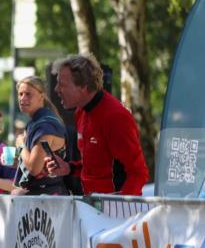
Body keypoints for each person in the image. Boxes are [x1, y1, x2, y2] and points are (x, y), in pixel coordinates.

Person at [46, 54, 148, 195]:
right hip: (91, 205)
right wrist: (68, 168)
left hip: (114, 210)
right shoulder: (81, 111)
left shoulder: (115, 117)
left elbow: (138, 172)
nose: (56, 89)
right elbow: (96, 165)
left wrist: (120, 209)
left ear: (83, 87)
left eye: (62, 84)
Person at [12, 76, 69, 196]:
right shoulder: (35, 122)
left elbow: (34, 168)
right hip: (39, 195)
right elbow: (31, 162)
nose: (23, 98)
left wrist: (21, 145)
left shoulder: (45, 126)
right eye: (20, 94)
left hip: (48, 198)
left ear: (41, 97)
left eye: (28, 94)